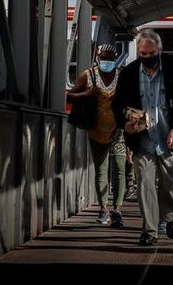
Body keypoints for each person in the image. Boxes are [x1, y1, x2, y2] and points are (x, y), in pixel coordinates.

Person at [112, 29, 173, 246]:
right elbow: (117, 105)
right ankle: (149, 229)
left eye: (151, 53)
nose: (147, 58)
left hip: (170, 138)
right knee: (145, 185)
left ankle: (171, 216)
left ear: (159, 50)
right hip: (143, 141)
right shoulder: (129, 73)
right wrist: (125, 124)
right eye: (142, 54)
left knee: (171, 184)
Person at [67, 44, 126, 228]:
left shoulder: (121, 76)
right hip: (96, 129)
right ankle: (104, 208)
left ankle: (117, 209)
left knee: (119, 168)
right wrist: (87, 93)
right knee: (101, 169)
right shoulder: (88, 75)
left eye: (110, 58)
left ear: (115, 58)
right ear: (98, 57)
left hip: (118, 131)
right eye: (104, 58)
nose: (106, 61)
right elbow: (70, 96)